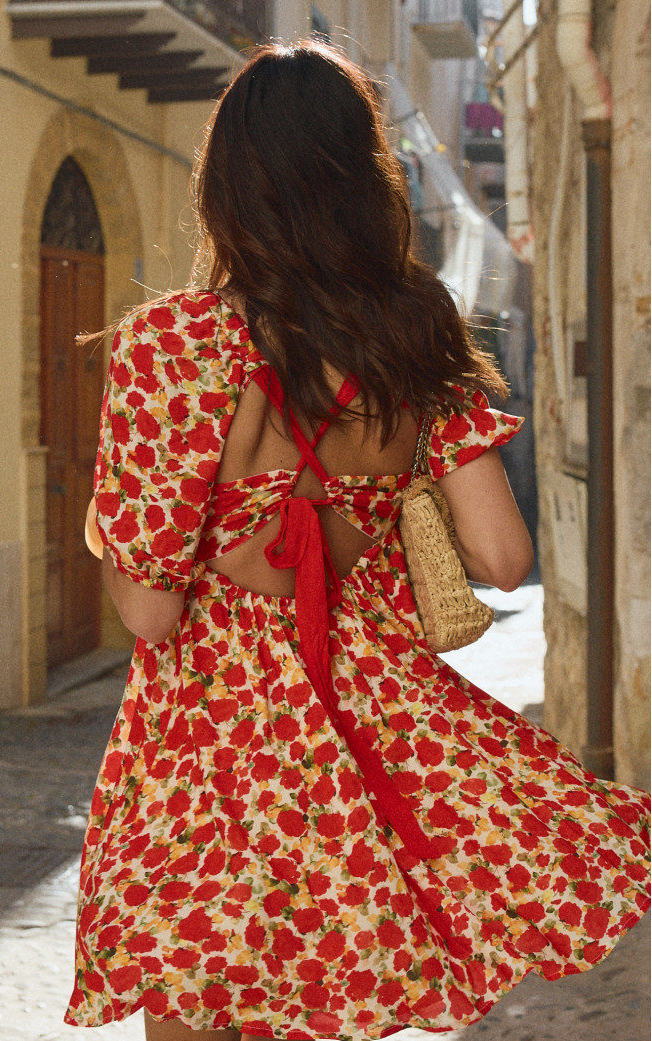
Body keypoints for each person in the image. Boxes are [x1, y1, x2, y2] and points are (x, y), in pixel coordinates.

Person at [67, 39, 650, 1041]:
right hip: (369, 740)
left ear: (227, 183)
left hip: (208, 757)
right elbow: (503, 558)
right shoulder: (413, 334)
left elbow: (152, 612)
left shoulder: (174, 344)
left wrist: (150, 522)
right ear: (360, 179)